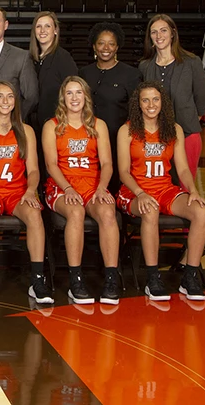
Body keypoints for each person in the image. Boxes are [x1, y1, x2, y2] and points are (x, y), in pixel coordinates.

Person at [116, 81, 205, 301]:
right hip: (134, 192)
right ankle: (152, 277)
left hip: (164, 189)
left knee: (201, 212)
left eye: (155, 99)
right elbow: (123, 172)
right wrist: (140, 193)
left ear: (162, 102)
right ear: (138, 104)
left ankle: (190, 276)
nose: (151, 104)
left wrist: (193, 191)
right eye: (145, 100)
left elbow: (184, 168)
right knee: (150, 210)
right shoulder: (127, 130)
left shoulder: (173, 129)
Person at [0, 80, 52, 305]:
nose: (5, 101)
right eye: (0, 97)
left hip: (17, 191)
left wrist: (31, 191)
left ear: (16, 102)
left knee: (34, 214)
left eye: (10, 97)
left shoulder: (26, 131)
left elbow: (33, 170)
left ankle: (37, 279)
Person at [41, 76, 120, 305]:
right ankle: (76, 280)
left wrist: (102, 188)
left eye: (78, 93)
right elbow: (51, 165)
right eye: (69, 93)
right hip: (62, 186)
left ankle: (111, 278)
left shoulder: (98, 125)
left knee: (107, 212)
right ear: (62, 98)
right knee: (75, 212)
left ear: (85, 96)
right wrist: (67, 188)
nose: (74, 98)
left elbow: (106, 164)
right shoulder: (52, 125)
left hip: (93, 185)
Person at [138, 14, 205, 179]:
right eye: (154, 32)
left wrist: (187, 121)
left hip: (187, 134)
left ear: (173, 33)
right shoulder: (145, 66)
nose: (159, 36)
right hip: (155, 138)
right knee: (160, 185)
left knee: (185, 186)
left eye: (163, 30)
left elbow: (201, 98)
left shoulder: (191, 62)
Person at [78, 22, 141, 195]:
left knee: (114, 189)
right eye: (101, 43)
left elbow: (136, 111)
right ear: (94, 46)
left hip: (117, 142)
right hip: (88, 143)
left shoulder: (130, 74)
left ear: (117, 47)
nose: (106, 48)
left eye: (111, 43)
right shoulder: (84, 73)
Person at [30, 11, 79, 125]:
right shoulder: (30, 59)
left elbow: (73, 92)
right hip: (34, 124)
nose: (43, 31)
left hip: (57, 124)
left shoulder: (63, 58)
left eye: (48, 26)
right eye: (39, 26)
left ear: (55, 30)